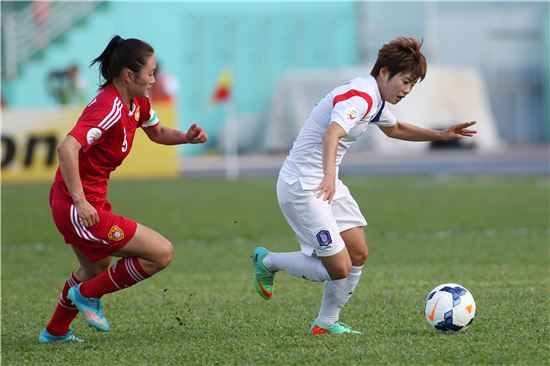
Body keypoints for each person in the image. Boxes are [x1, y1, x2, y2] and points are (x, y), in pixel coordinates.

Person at [251, 37, 477, 335]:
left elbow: (395, 129)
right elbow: (331, 134)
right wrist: (330, 176)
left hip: (323, 182)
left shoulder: (375, 99)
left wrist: (442, 134)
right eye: (405, 81)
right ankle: (268, 261)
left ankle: (326, 323)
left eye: (413, 85)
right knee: (339, 268)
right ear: (384, 72)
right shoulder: (360, 96)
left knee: (357, 252)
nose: (407, 90)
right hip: (303, 187)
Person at [39, 35, 208, 343]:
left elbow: (156, 132)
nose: (154, 79)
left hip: (86, 201)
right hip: (78, 206)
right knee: (160, 253)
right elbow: (67, 148)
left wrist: (186, 136)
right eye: (150, 73)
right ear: (129, 76)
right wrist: (80, 201)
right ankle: (87, 296)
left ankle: (55, 332)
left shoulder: (137, 102)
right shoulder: (108, 108)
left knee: (95, 268)